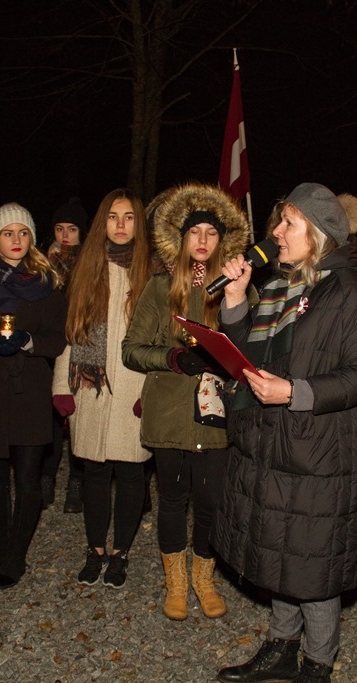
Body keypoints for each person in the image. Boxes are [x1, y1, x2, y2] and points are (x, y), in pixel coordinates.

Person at [213, 183, 357, 683]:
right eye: (279, 221)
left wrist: (296, 392)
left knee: (313, 563)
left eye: (289, 223)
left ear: (318, 234)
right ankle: (281, 647)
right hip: (276, 443)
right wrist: (232, 300)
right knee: (280, 550)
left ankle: (317, 663)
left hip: (322, 451)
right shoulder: (280, 286)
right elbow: (252, 357)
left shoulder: (350, 292)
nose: (276, 233)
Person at [122, 182, 251, 620]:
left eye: (211, 233)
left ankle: (203, 579)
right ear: (180, 238)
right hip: (170, 412)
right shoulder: (160, 287)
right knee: (173, 499)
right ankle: (175, 584)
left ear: (223, 241)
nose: (201, 240)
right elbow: (131, 349)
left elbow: (250, 349)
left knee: (211, 501)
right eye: (194, 231)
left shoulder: (237, 287)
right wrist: (174, 357)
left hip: (216, 415)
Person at [0, 202, 67, 588]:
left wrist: (30, 341)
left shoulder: (48, 282)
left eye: (23, 233)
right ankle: (1, 551)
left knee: (29, 479)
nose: (16, 240)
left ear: (32, 238)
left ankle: (16, 555)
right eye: (8, 233)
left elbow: (58, 339)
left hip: (30, 390)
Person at [52, 188, 154, 590]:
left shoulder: (152, 273)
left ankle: (121, 553)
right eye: (113, 217)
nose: (121, 225)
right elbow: (71, 332)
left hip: (134, 387)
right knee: (94, 472)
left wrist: (154, 393)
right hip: (90, 388)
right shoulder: (84, 269)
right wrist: (62, 384)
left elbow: (161, 341)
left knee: (131, 474)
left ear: (138, 224)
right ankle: (95, 549)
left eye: (129, 217)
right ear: (102, 222)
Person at [44, 196, 89, 513]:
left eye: (71, 229)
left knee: (77, 414)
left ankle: (77, 482)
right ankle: (46, 479)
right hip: (49, 344)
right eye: (59, 229)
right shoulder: (42, 263)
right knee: (48, 414)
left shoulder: (89, 263)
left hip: (79, 343)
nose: (64, 236)